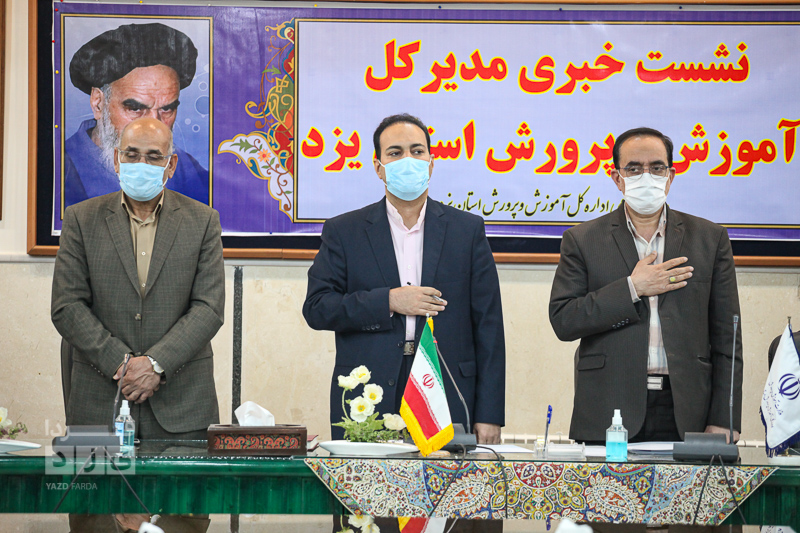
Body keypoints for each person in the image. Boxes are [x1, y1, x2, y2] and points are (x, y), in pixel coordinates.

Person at [303, 113, 506, 444]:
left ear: (431, 163)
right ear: (378, 167)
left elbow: (489, 326)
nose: (408, 160)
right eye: (395, 153)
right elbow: (317, 308)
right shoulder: (345, 231)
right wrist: (388, 301)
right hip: (369, 391)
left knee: (446, 479)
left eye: (417, 151)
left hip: (447, 389)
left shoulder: (466, 230)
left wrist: (489, 413)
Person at [549, 127, 742, 444]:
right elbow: (564, 320)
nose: (646, 177)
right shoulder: (582, 239)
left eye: (656, 167)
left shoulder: (710, 239)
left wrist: (724, 418)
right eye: (634, 169)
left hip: (688, 409)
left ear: (670, 176)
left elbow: (727, 338)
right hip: (608, 406)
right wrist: (632, 288)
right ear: (617, 178)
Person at [52, 117, 224, 439]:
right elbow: (67, 305)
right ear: (117, 160)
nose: (141, 164)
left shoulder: (203, 221)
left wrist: (155, 364)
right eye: (131, 155)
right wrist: (122, 364)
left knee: (186, 477)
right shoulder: (81, 219)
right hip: (98, 403)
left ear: (171, 165)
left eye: (153, 156)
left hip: (183, 406)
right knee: (93, 477)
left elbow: (209, 308)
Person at [64, 22, 208, 209]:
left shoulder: (190, 173)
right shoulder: (61, 170)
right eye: (135, 109)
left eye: (166, 109)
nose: (152, 126)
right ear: (98, 103)